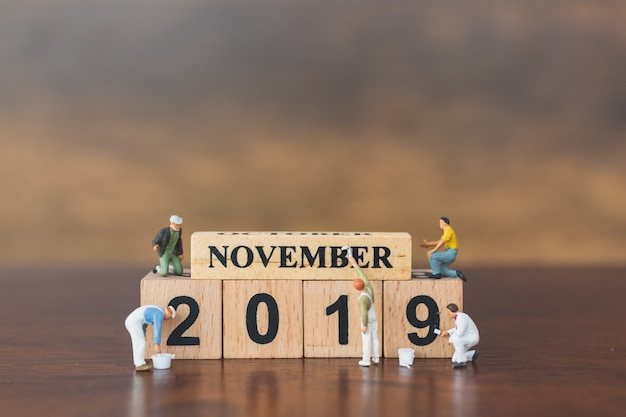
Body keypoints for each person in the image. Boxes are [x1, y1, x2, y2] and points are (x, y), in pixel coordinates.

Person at [346, 248, 380, 367]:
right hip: (374, 317)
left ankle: (366, 359)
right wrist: (354, 263)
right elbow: (363, 275)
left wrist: (364, 325)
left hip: (367, 320)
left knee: (366, 340)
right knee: (375, 337)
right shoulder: (369, 288)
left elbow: (364, 313)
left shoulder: (362, 299)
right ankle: (376, 357)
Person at [124, 305, 176, 371]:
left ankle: (141, 361)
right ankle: (139, 364)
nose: (168, 319)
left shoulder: (158, 310)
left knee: (140, 342)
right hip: (133, 323)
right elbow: (157, 328)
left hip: (134, 321)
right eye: (170, 317)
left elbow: (144, 322)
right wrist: (157, 344)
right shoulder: (159, 314)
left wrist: (143, 334)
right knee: (140, 343)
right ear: (169, 314)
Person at [419, 216, 466, 281]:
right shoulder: (446, 231)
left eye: (440, 222)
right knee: (442, 270)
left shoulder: (448, 231)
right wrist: (428, 244)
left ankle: (436, 274)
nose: (439, 224)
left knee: (432, 255)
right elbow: (439, 242)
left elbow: (442, 242)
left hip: (451, 254)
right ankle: (457, 273)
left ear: (445, 223)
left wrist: (432, 250)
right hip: (449, 252)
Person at [441, 303, 479, 368]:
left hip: (471, 338)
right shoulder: (458, 317)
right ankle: (472, 355)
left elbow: (460, 333)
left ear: (452, 311)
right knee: (454, 359)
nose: (448, 314)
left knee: (457, 340)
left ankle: (461, 361)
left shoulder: (461, 318)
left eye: (448, 312)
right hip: (467, 338)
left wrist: (450, 339)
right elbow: (457, 329)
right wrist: (447, 332)